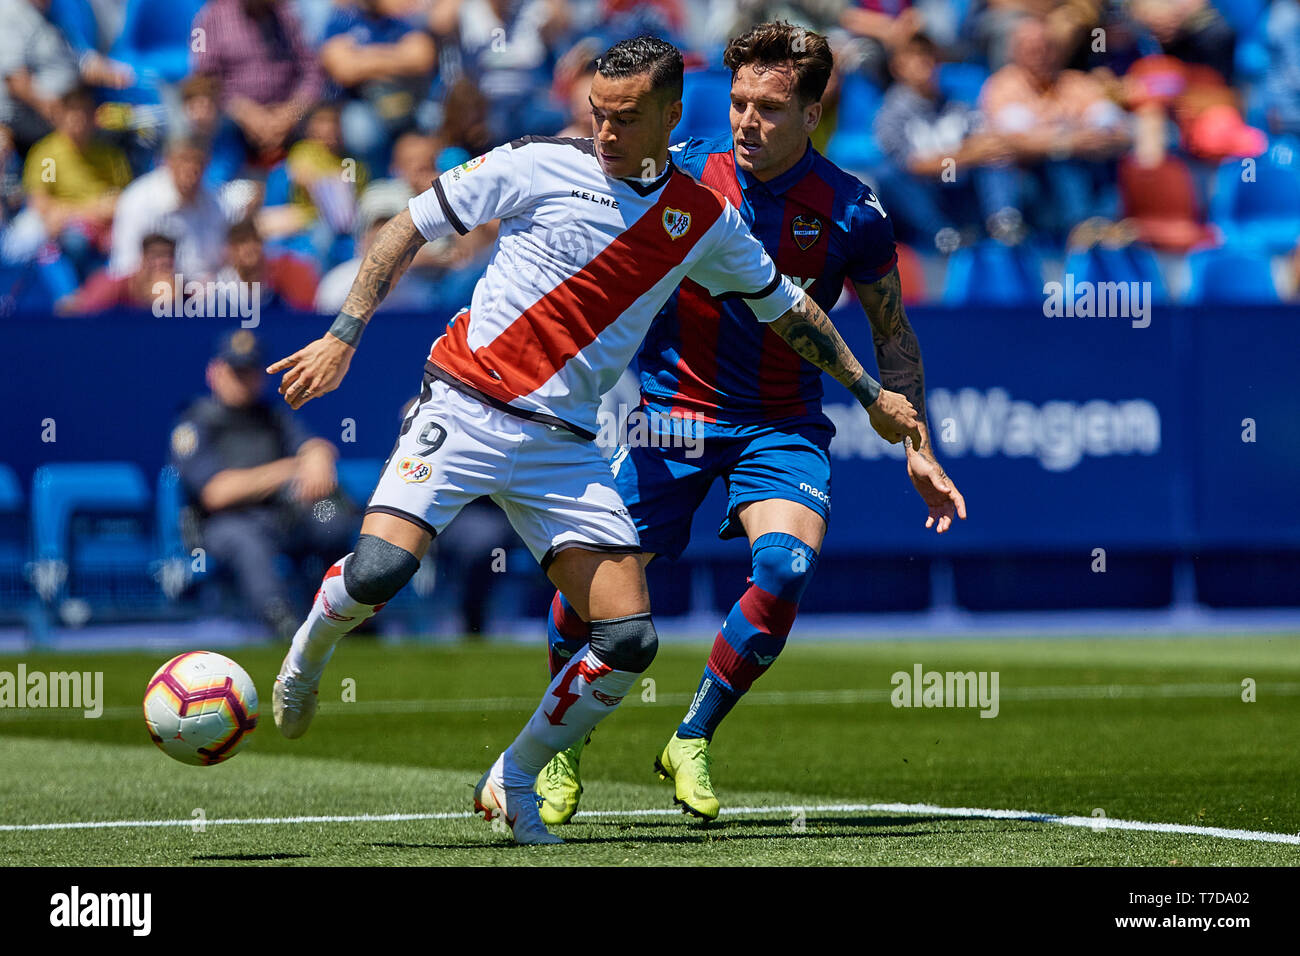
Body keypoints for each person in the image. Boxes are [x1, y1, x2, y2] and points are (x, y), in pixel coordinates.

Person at [265, 35, 922, 845]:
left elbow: (788, 308)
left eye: (626, 118)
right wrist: (343, 333)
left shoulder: (704, 218)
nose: (607, 133)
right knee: (380, 570)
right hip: (466, 403)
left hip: (565, 446)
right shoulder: (538, 161)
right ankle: (306, 656)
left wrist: (869, 393)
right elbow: (409, 224)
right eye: (598, 115)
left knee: (628, 638)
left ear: (671, 114)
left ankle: (516, 776)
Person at [535, 20, 967, 827]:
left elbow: (893, 336)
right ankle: (561, 742)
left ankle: (690, 736)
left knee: (786, 571)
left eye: (768, 108)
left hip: (781, 424)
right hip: (670, 417)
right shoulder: (683, 174)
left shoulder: (852, 211)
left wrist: (918, 446)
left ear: (812, 114)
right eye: (737, 102)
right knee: (591, 584)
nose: (745, 121)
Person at [170, 329, 356, 640]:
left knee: (331, 517)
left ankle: (343, 612)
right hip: (222, 526)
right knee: (245, 541)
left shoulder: (273, 416)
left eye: (250, 372)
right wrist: (289, 469)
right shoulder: (195, 423)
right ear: (215, 372)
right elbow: (216, 492)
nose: (244, 380)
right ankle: (283, 624)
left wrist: (318, 455)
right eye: (236, 372)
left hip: (282, 518)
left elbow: (313, 445)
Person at [109, 134, 230, 281]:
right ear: (168, 162)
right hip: (154, 293)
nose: (191, 168)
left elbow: (223, 259)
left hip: (206, 292)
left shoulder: (215, 203)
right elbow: (126, 265)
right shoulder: (138, 201)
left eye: (198, 161)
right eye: (184, 160)